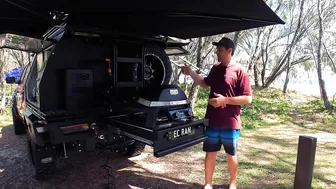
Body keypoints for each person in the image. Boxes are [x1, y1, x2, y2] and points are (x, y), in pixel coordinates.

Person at [181, 37, 252, 189]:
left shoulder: (240, 71)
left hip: (230, 122)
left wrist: (225, 100)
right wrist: (191, 73)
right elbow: (205, 84)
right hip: (212, 120)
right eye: (217, 50)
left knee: (231, 155)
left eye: (220, 50)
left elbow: (248, 99)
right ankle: (208, 184)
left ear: (229, 51)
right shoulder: (215, 68)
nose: (217, 53)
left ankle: (232, 183)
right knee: (210, 153)